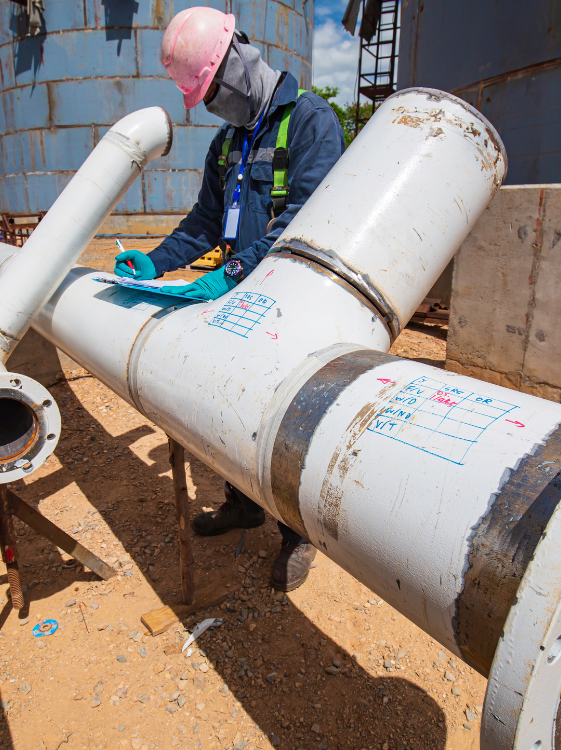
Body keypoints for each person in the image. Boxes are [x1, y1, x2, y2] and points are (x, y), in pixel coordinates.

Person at [113, 7, 345, 592]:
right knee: (229, 400)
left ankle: (297, 535)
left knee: (286, 415)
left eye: (213, 90)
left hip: (294, 305)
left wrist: (233, 270)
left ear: (238, 62)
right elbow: (204, 221)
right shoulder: (227, 142)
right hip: (240, 300)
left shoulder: (311, 123)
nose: (212, 104)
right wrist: (158, 260)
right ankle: (241, 503)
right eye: (205, 97)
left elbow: (303, 220)